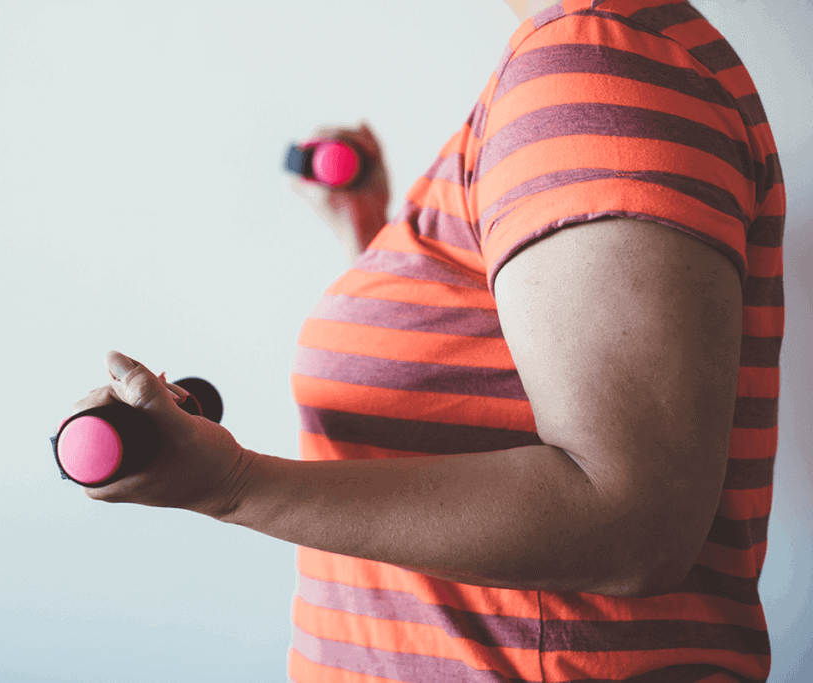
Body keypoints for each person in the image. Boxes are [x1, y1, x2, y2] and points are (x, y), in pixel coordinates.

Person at [69, 0, 785, 680]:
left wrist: (233, 486)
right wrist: (369, 237)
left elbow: (633, 522)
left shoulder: (592, 70)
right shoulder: (593, 63)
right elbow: (482, 396)